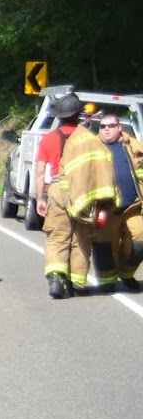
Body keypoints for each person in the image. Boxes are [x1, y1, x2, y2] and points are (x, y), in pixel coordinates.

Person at [68, 113, 143, 292]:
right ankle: (107, 281)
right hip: (106, 210)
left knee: (140, 240)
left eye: (110, 126)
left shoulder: (132, 146)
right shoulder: (91, 148)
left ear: (119, 128)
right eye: (102, 126)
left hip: (132, 207)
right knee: (104, 248)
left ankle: (126, 274)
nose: (106, 129)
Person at [36, 93, 85, 298]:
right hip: (82, 190)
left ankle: (56, 279)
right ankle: (76, 282)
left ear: (60, 116)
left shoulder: (49, 139)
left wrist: (40, 197)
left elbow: (40, 172)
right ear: (78, 115)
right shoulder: (87, 138)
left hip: (57, 189)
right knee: (80, 238)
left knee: (57, 237)